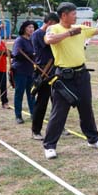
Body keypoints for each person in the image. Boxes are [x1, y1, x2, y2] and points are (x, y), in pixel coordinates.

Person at [42, 2, 98, 159]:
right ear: (63, 15)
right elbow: (49, 40)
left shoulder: (81, 28)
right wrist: (69, 33)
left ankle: (93, 139)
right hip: (64, 77)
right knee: (59, 112)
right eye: (73, 13)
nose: (75, 16)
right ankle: (50, 145)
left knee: (86, 108)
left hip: (82, 74)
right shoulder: (54, 28)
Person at [30, 12, 59, 140]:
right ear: (50, 22)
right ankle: (36, 131)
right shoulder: (38, 34)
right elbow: (49, 43)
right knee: (42, 102)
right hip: (44, 70)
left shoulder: (49, 33)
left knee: (58, 102)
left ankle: (58, 127)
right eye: (55, 24)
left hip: (54, 70)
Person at [11, 20, 38, 124]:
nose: (31, 29)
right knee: (19, 93)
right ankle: (18, 116)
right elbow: (16, 54)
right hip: (20, 70)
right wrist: (31, 55)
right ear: (24, 29)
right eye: (29, 27)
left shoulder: (32, 40)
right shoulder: (19, 40)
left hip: (30, 70)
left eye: (33, 27)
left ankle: (33, 113)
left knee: (31, 93)